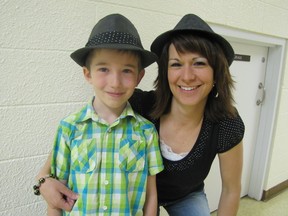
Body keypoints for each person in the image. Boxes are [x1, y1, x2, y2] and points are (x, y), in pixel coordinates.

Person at [36, 14, 244, 216]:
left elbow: (231, 190)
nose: (187, 76)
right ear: (165, 72)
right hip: (133, 194)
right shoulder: (138, 104)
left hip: (185, 195)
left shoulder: (226, 123)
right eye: (176, 64)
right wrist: (43, 183)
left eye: (199, 63)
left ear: (217, 71)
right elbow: (54, 166)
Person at [33, 13, 164, 216]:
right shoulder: (69, 128)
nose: (115, 82)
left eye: (127, 71)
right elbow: (55, 199)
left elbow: (151, 194)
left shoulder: (146, 132)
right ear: (88, 74)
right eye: (104, 69)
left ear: (139, 77)